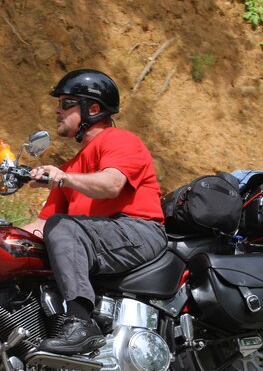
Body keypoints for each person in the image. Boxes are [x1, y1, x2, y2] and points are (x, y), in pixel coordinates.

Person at [21, 69, 168, 355]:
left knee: (64, 227)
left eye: (66, 103)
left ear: (94, 108)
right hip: (97, 237)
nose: (57, 110)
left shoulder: (119, 140)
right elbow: (43, 224)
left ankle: (79, 321)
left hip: (140, 230)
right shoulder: (73, 165)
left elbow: (112, 184)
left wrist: (63, 178)